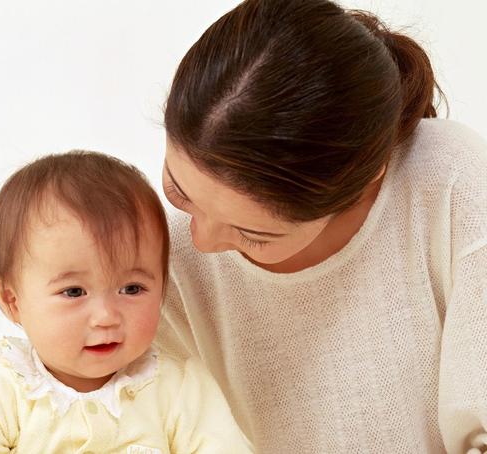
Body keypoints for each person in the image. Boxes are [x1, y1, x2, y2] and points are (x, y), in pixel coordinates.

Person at [154, 1, 487, 453]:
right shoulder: (152, 262)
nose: (200, 241)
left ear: (363, 181)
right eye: (179, 192)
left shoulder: (452, 183)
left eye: (255, 234)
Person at [0, 151, 253, 453]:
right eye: (74, 292)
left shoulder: (180, 391)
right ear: (12, 300)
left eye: (132, 288)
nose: (106, 317)